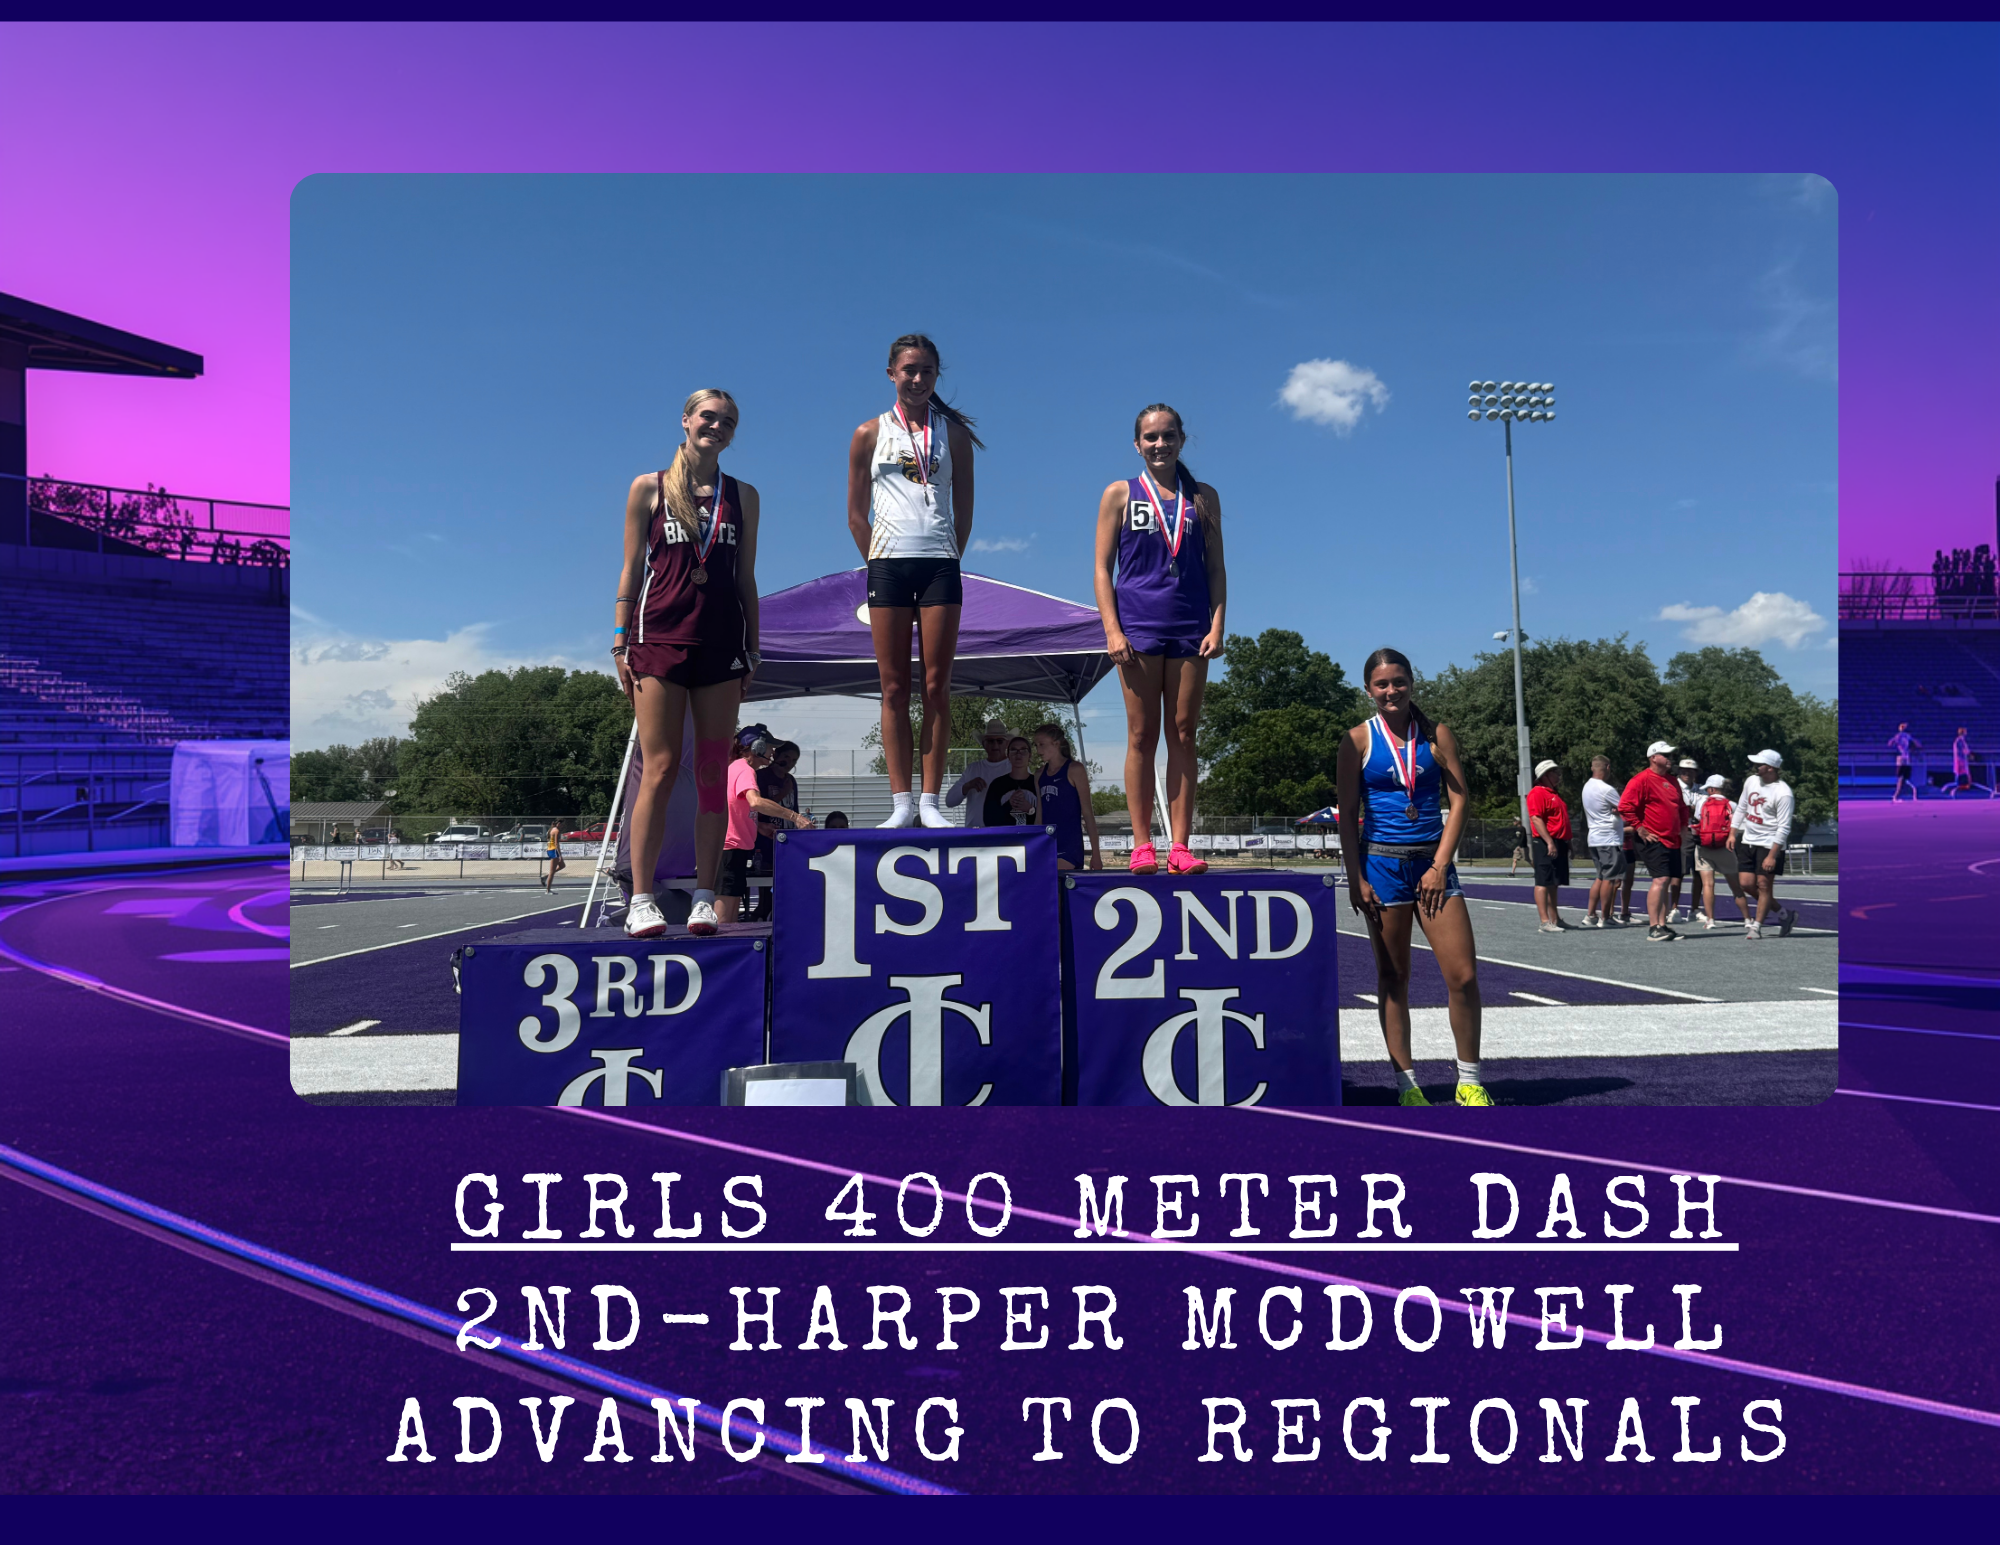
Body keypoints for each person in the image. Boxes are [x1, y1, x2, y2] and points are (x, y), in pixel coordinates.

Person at [612, 388, 762, 939]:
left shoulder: (743, 496)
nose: (716, 426)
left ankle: (704, 894)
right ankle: (642, 898)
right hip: (659, 640)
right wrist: (618, 641)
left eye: (727, 421)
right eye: (708, 416)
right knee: (659, 767)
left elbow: (745, 577)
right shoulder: (648, 487)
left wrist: (754, 647)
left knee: (712, 773)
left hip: (721, 643)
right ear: (685, 420)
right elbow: (630, 569)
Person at [1335, 647, 1493, 1108]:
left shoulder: (1436, 733)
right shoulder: (1357, 741)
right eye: (1382, 684)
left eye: (1399, 681)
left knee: (1463, 975)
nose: (1391, 691)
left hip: (1433, 863)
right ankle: (1409, 1086)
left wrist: (1440, 865)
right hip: (1381, 866)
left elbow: (1461, 801)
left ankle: (1469, 1080)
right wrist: (1354, 876)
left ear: (1411, 684)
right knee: (1393, 976)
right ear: (1369, 690)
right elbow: (1348, 817)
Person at [848, 334, 980, 830]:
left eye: (927, 371)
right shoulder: (868, 433)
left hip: (940, 564)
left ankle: (930, 799)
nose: (918, 379)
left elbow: (964, 511)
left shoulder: (954, 436)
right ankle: (900, 801)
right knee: (894, 687)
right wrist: (879, 562)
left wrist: (947, 555)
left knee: (937, 685)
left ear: (936, 376)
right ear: (891, 374)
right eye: (909, 370)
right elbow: (855, 515)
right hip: (887, 566)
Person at [1093, 403, 1228, 876]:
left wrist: (1218, 624)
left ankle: (1181, 845)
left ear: (1181, 440)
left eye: (1168, 436)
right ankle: (1142, 843)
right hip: (1137, 630)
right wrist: (1112, 629)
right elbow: (1101, 570)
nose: (1159, 444)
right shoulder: (1119, 494)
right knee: (1141, 735)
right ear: (1137, 444)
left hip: (1191, 630)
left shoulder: (1203, 497)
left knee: (1185, 734)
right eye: (1150, 437)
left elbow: (1216, 568)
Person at [719, 735, 812, 924]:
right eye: (771, 748)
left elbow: (737, 807)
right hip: (732, 846)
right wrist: (795, 817)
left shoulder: (740, 768)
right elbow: (755, 802)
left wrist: (759, 826)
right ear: (758, 747)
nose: (772, 753)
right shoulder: (746, 770)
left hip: (738, 846)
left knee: (732, 907)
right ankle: (720, 947)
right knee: (725, 912)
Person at [1617, 740, 1689, 942]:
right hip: (1653, 837)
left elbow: (1681, 807)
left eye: (1670, 755)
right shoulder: (1641, 780)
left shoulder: (1672, 781)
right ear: (1653, 758)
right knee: (1660, 880)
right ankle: (1654, 926)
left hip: (1672, 838)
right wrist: (1640, 828)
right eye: (1665, 755)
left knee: (1666, 881)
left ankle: (1662, 924)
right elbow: (1625, 806)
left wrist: (1683, 827)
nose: (1669, 759)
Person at [1731, 749, 1798, 941]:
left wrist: (1772, 855)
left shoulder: (1783, 793)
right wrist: (1732, 833)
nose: (1755, 767)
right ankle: (1784, 914)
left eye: (1759, 764)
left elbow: (1784, 827)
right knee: (1745, 883)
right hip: (1749, 840)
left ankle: (1757, 926)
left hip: (1770, 843)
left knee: (1764, 885)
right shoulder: (1751, 781)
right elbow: (1742, 807)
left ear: (1770, 768)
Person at [1033, 722, 1104, 872]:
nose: (1038, 750)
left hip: (1069, 845)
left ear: (1056, 743)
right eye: (1036, 745)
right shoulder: (1039, 774)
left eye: (1042, 744)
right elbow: (1039, 815)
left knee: (1057, 884)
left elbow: (1087, 813)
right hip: (1047, 843)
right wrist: (1034, 846)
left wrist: (1096, 854)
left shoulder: (1074, 769)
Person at [750, 740, 801, 921]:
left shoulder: (791, 781)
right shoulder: (762, 776)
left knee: (785, 886)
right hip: (766, 840)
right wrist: (781, 794)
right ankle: (760, 916)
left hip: (787, 839)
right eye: (786, 757)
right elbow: (760, 805)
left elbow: (793, 809)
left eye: (794, 760)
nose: (789, 762)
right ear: (776, 756)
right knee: (766, 888)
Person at [1692, 774, 1750, 928]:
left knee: (1708, 885)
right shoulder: (1732, 804)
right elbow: (1737, 826)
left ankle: (1710, 920)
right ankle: (1747, 919)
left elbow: (1698, 820)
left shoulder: (1701, 802)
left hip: (1704, 847)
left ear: (1711, 789)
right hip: (1725, 847)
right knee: (1736, 887)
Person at [1525, 759, 1572, 933]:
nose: (1557, 776)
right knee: (1543, 881)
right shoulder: (1537, 793)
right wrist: (1549, 842)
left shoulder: (1554, 793)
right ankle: (1544, 921)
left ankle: (1555, 919)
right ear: (1545, 775)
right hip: (1545, 842)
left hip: (1558, 841)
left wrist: (1567, 842)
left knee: (1554, 882)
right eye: (1554, 772)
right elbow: (1536, 818)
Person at [1579, 754, 1625, 928]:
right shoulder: (1606, 789)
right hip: (1609, 837)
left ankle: (1591, 914)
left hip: (1595, 837)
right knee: (1610, 878)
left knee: (1600, 876)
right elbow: (1625, 809)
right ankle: (1605, 917)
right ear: (1607, 767)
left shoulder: (1587, 787)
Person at [946, 719, 1014, 825]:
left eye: (999, 741)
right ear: (984, 744)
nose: (995, 745)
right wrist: (967, 786)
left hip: (1005, 834)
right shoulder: (973, 769)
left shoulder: (1016, 768)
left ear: (1007, 744)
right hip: (975, 836)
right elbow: (949, 801)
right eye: (991, 741)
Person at [983, 736, 1041, 829]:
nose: (1018, 754)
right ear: (1008, 755)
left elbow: (1049, 818)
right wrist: (1009, 804)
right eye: (1014, 750)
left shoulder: (1039, 783)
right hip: (1005, 840)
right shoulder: (997, 784)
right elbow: (988, 820)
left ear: (1029, 755)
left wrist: (1030, 809)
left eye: (1023, 750)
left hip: (1033, 840)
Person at [1671, 757, 1701, 922]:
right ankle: (1674, 908)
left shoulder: (1701, 789)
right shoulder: (1674, 787)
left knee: (1700, 873)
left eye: (1690, 770)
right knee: (1679, 871)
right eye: (1683, 770)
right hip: (1682, 831)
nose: (1686, 773)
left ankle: (1694, 909)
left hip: (1699, 831)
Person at [1888, 723, 1921, 801]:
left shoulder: (1903, 736)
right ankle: (1897, 795)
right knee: (1902, 777)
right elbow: (1916, 744)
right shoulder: (1902, 736)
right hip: (1903, 759)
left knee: (1904, 777)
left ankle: (1899, 795)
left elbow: (1890, 743)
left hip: (1904, 758)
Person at [1950, 725, 1974, 796]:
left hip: (1962, 760)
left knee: (1964, 772)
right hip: (1960, 760)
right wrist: (1968, 755)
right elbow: (1963, 751)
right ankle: (1959, 785)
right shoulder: (1959, 741)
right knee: (1960, 773)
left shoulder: (1961, 741)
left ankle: (1964, 784)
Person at [541, 820, 563, 895]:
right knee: (552, 871)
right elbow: (556, 843)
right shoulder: (556, 831)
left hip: (550, 850)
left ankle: (545, 877)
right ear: (558, 824)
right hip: (553, 850)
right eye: (561, 825)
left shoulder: (552, 829)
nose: (562, 826)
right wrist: (560, 855)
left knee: (562, 865)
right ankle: (548, 890)